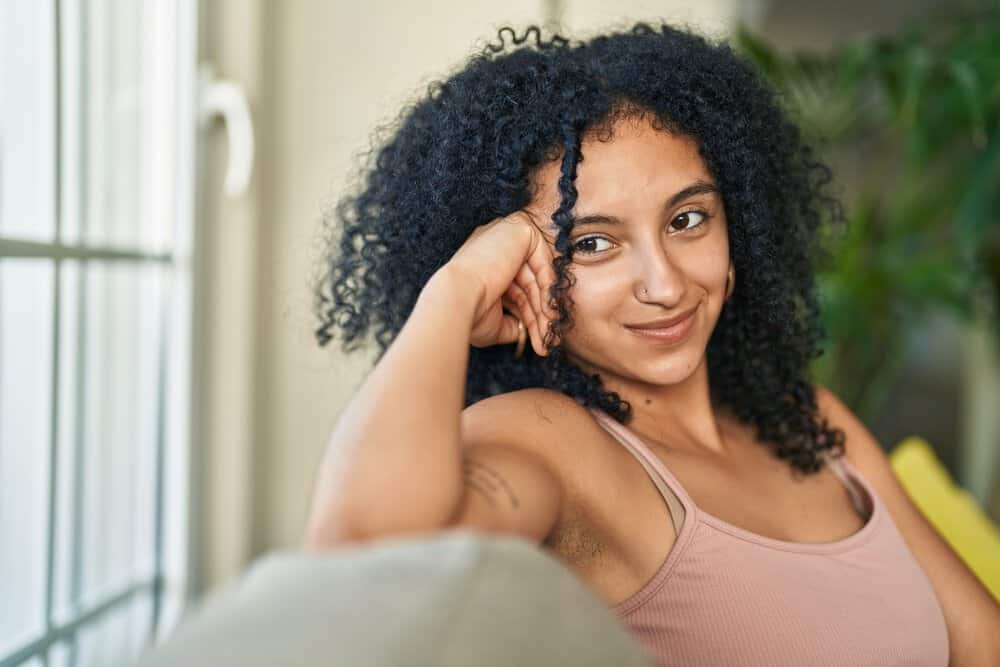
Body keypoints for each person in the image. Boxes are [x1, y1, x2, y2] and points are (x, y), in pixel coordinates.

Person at [304, 22, 1000, 666]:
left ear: (740, 231)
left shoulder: (809, 422)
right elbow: (365, 556)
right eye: (594, 243)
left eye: (689, 219)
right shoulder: (554, 440)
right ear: (524, 272)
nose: (664, 285)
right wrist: (453, 292)